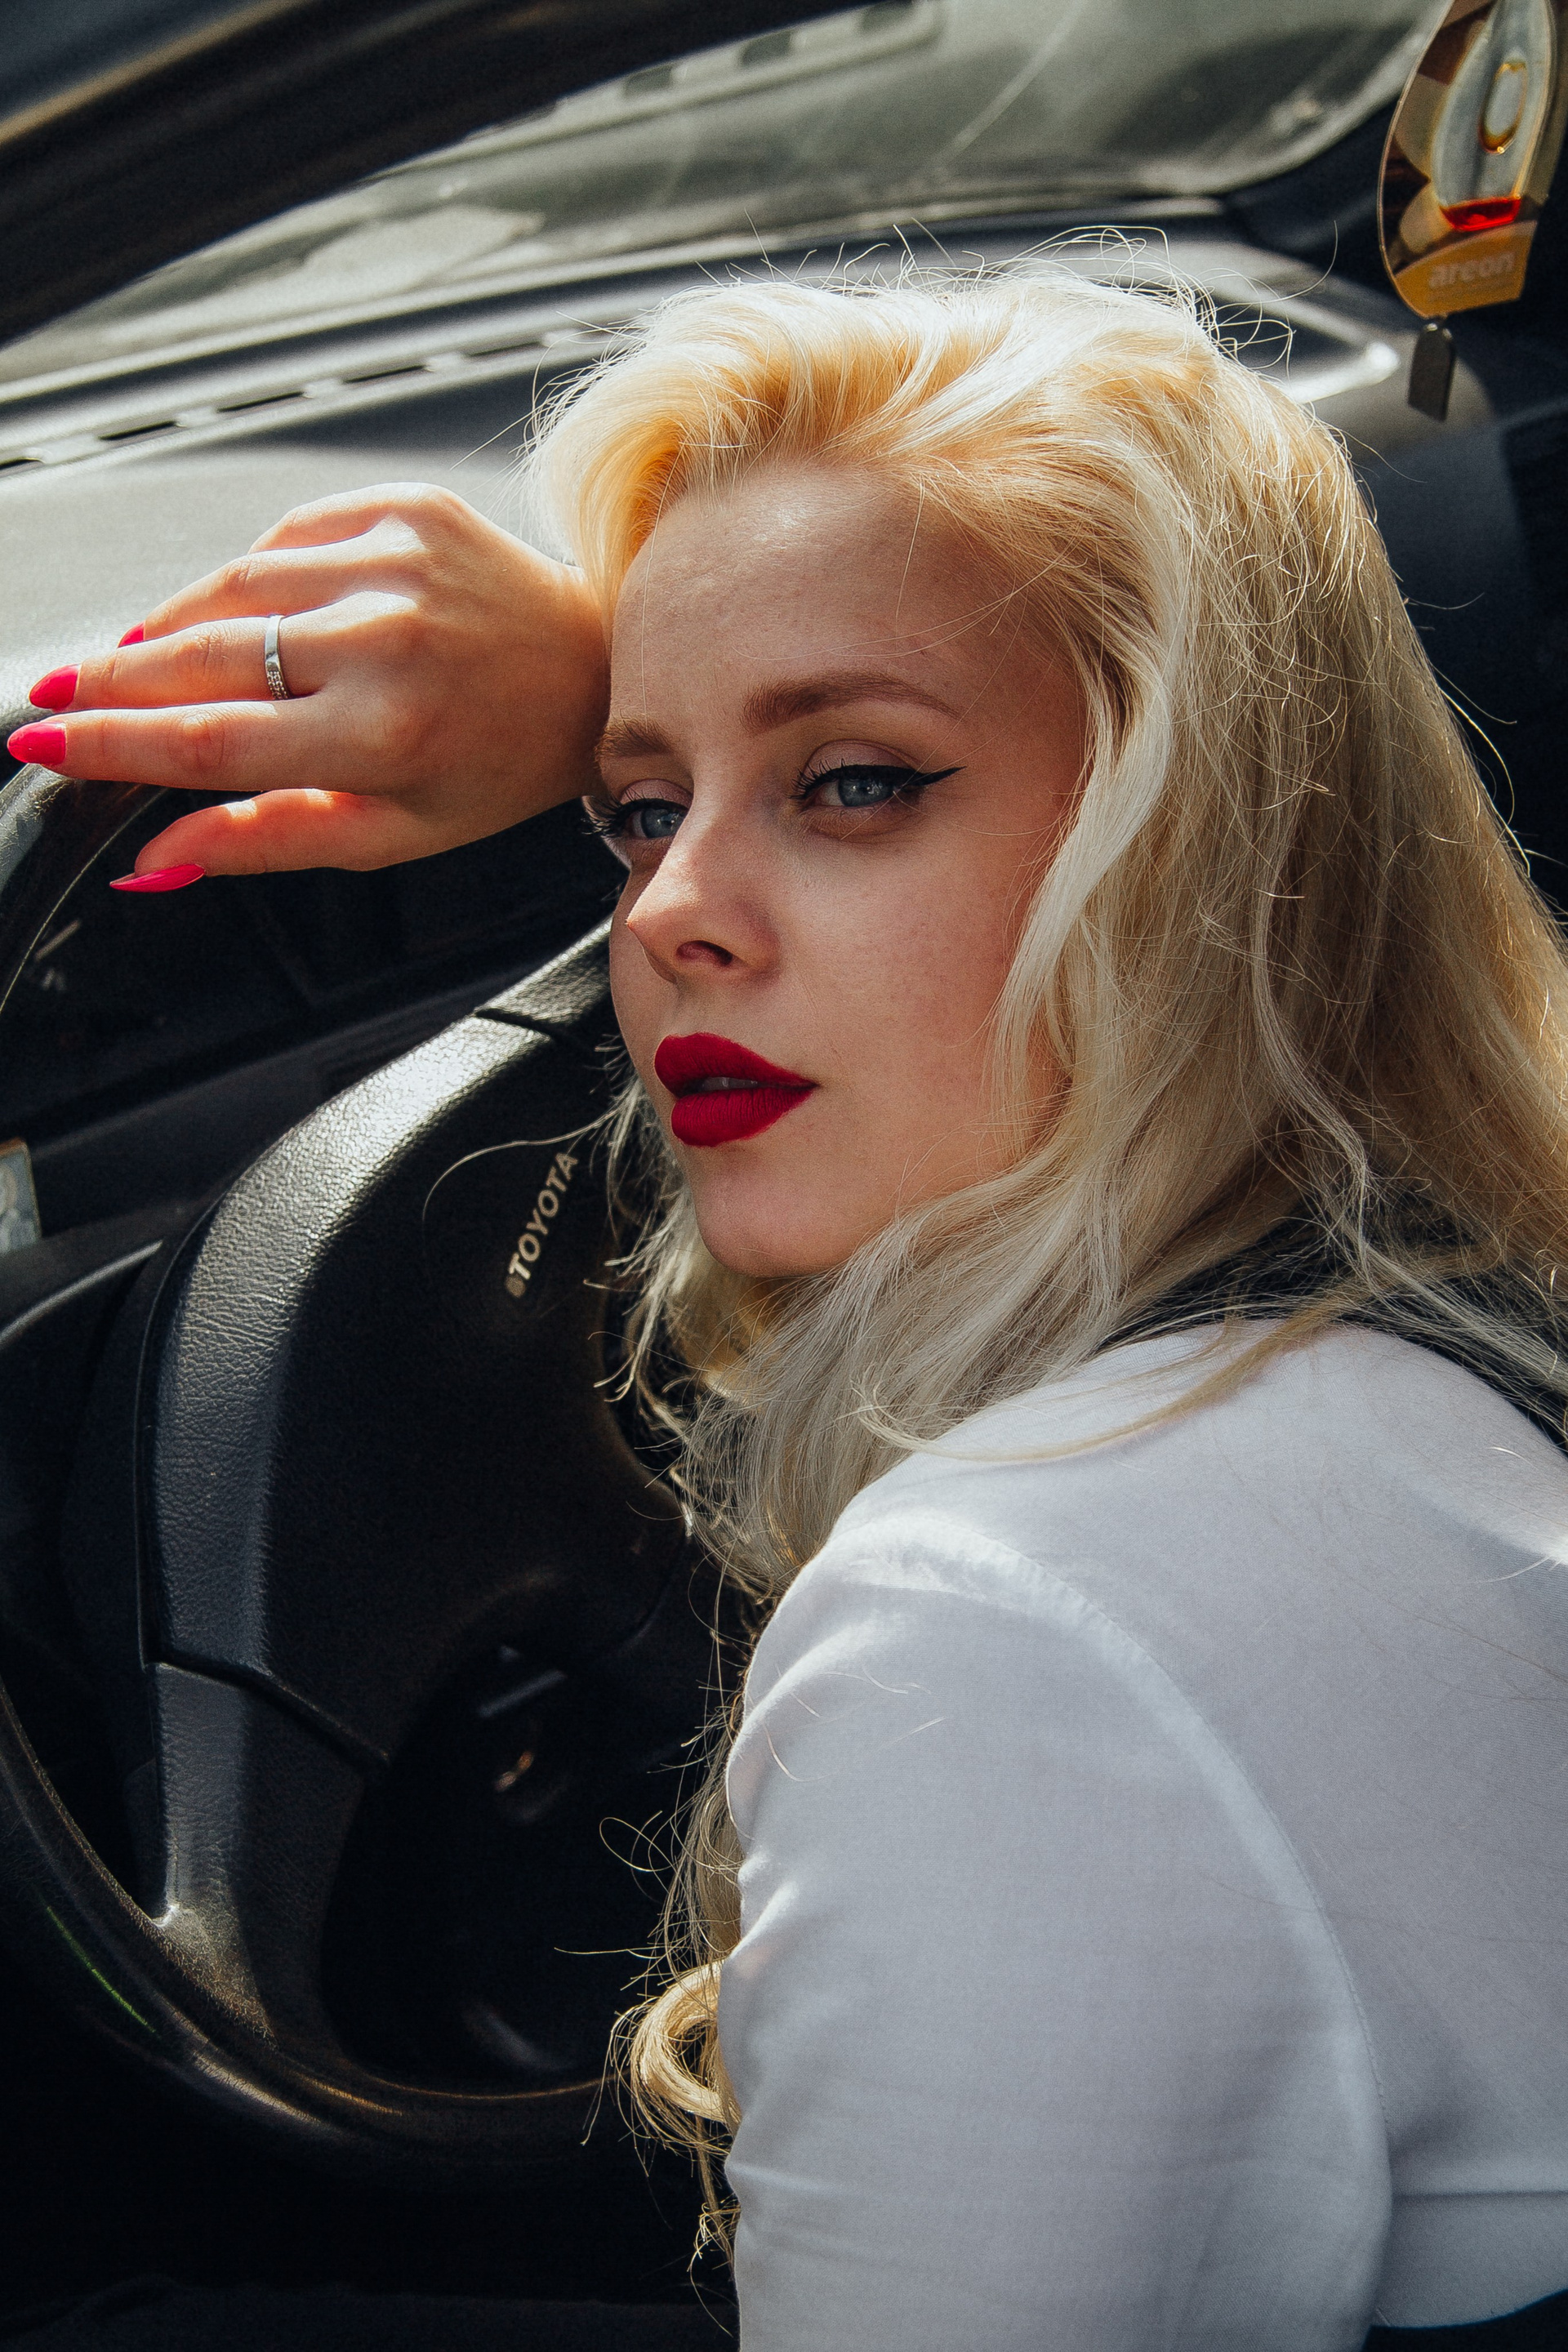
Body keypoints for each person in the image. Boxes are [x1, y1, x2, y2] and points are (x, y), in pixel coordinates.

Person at [9, 265, 1568, 2350]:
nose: (666, 913)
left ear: (1202, 840)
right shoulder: (1471, 1305)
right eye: (638, 807)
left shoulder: (1017, 1623)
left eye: (855, 786)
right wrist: (701, 690)